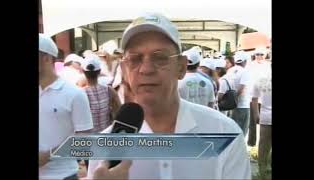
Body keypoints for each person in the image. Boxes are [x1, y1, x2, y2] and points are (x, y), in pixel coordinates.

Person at [87, 12, 251, 179]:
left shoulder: (224, 133)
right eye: (135, 59)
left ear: (181, 67)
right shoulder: (105, 151)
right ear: (124, 69)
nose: (146, 69)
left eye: (159, 58)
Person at [39, 33, 94, 180]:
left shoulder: (74, 94)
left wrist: (49, 155)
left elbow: (84, 141)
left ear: (46, 58)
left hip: (63, 175)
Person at [81, 54, 122, 133]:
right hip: (107, 136)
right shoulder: (109, 90)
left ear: (83, 71)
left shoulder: (80, 93)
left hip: (89, 138)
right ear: (99, 71)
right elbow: (119, 111)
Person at [246, 47, 271, 146]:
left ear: (264, 55)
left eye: (261, 54)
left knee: (265, 124)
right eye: (257, 54)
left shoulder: (268, 65)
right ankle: (251, 143)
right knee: (252, 122)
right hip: (253, 96)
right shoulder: (250, 65)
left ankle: (263, 143)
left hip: (265, 96)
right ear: (254, 55)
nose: (259, 56)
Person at [251, 68, 272, 179]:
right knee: (264, 145)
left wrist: (256, 114)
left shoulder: (262, 79)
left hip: (265, 116)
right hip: (266, 117)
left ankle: (262, 169)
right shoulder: (262, 79)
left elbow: (254, 98)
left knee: (264, 145)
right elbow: (254, 98)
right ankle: (265, 168)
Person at [229, 51, 251, 136]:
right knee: (242, 130)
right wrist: (235, 98)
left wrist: (231, 100)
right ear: (245, 61)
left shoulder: (230, 70)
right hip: (243, 104)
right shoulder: (244, 72)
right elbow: (241, 88)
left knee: (233, 129)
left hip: (231, 105)